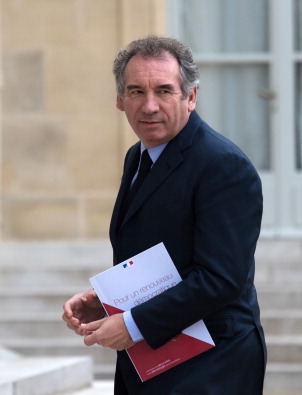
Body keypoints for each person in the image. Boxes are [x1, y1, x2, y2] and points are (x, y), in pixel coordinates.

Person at [62, 36, 266, 394]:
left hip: (213, 365)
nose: (149, 106)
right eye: (136, 91)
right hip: (153, 360)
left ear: (191, 97)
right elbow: (159, 253)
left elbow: (221, 278)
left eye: (164, 91)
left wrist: (134, 323)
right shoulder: (137, 156)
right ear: (119, 100)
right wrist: (112, 303)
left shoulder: (222, 165)